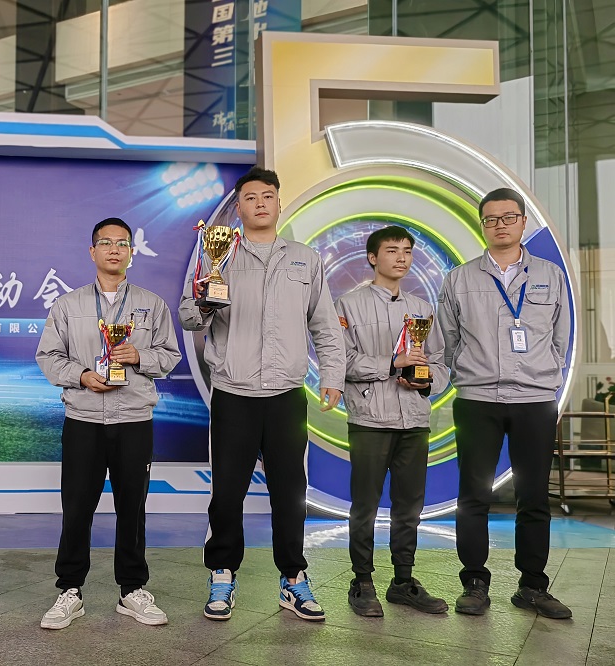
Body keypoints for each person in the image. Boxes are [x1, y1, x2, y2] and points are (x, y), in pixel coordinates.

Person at [179, 167, 345, 622]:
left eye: (267, 196)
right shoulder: (218, 254)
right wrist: (205, 301)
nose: (260, 203)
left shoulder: (305, 259)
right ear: (239, 207)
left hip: (286, 394)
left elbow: (324, 324)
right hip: (234, 392)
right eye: (250, 197)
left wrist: (333, 375)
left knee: (290, 492)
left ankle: (293, 578)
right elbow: (190, 319)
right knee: (227, 492)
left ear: (278, 202)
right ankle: (222, 573)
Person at [35, 217, 181, 629]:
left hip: (133, 418)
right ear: (92, 251)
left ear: (131, 252)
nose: (114, 249)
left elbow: (170, 355)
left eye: (122, 243)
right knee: (76, 507)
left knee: (132, 507)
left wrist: (140, 357)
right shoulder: (68, 305)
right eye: (105, 242)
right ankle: (70, 590)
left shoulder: (152, 304)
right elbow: (49, 356)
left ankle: (131, 589)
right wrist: (82, 375)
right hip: (83, 418)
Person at [438, 187, 572, 619]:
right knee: (473, 495)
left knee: (533, 497)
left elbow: (561, 337)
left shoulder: (550, 275)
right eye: (491, 219)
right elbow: (446, 340)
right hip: (478, 400)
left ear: (523, 222)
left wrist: (543, 377)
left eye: (508, 217)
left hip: (535, 401)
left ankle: (532, 585)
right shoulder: (459, 279)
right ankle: (474, 583)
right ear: (483, 225)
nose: (500, 225)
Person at [334, 226, 449, 618]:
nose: (401, 257)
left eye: (407, 250)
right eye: (392, 250)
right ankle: (362, 581)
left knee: (409, 507)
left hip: (414, 420)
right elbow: (341, 361)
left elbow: (439, 362)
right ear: (372, 258)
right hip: (370, 419)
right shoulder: (348, 304)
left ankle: (403, 581)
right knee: (365, 505)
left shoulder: (421, 307)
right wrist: (391, 363)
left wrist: (426, 381)